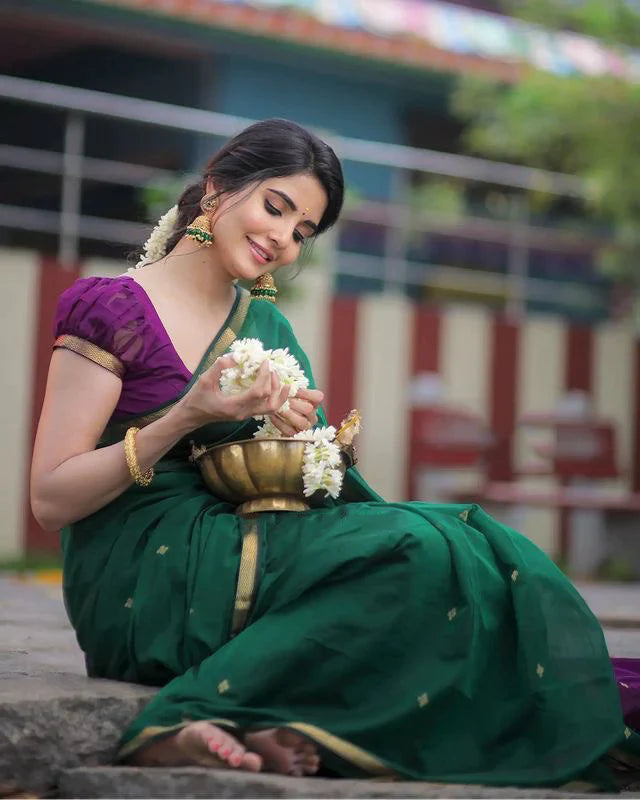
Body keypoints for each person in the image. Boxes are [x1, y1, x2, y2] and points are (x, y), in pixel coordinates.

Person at [31, 118, 640, 787]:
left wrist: (301, 442)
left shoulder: (268, 329)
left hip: (240, 542)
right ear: (218, 187)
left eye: (302, 232)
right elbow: (51, 498)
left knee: (471, 544)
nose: (282, 241)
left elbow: (303, 489)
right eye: (276, 207)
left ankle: (258, 711)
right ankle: (176, 722)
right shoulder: (113, 308)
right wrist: (186, 416)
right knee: (414, 551)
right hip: (143, 573)